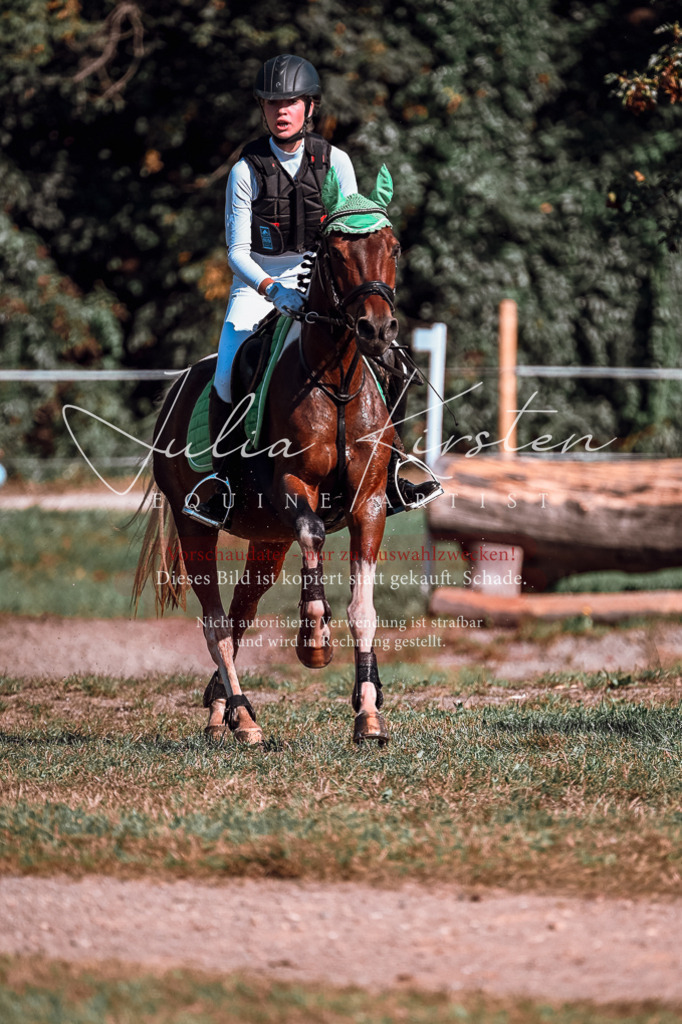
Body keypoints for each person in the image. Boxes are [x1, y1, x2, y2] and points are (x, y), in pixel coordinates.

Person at [185, 54, 441, 529]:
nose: (281, 111)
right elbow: (236, 251)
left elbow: (354, 232)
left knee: (394, 363)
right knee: (226, 368)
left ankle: (394, 474)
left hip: (326, 279)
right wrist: (271, 290)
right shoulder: (247, 170)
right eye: (272, 103)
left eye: (291, 102)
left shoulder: (336, 161)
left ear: (309, 107)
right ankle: (220, 484)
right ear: (263, 110)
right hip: (258, 281)